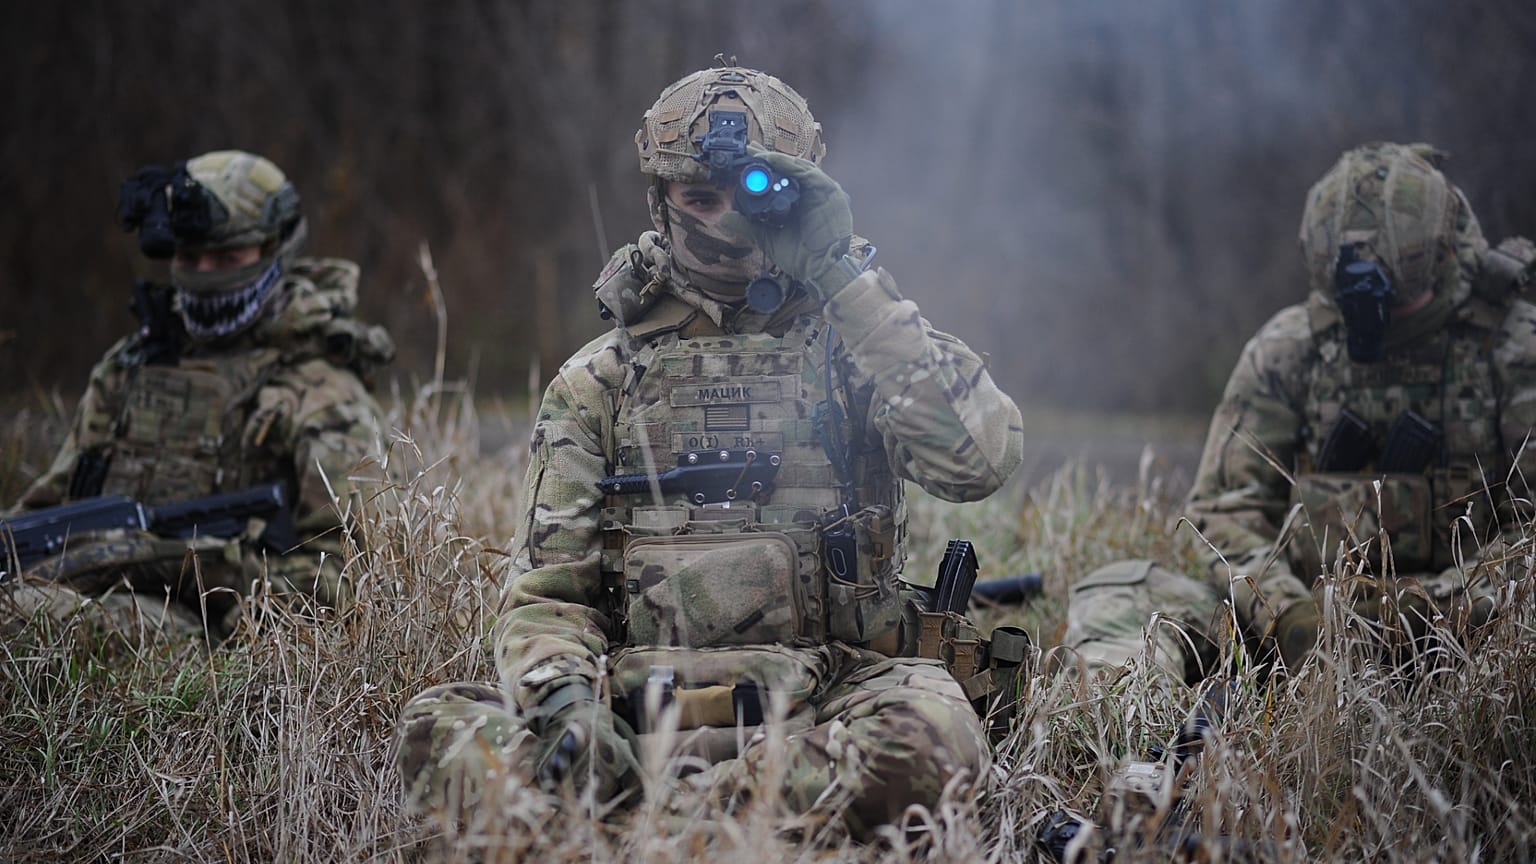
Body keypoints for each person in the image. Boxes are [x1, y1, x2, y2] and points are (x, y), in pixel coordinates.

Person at [396, 65, 1024, 839]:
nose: (728, 223)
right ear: (660, 203)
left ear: (802, 194)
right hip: (635, 706)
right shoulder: (599, 381)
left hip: (829, 696)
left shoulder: (860, 350)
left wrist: (842, 276)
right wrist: (565, 708)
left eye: (756, 197)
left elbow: (978, 458)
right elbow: (549, 597)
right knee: (439, 733)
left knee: (939, 739)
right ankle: (722, 822)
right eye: (701, 198)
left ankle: (651, 829)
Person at [1062, 142, 1536, 684]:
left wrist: (1434, 609)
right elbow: (1224, 515)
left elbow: (1528, 539)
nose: (1366, 304)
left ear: (1440, 254)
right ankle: (1107, 728)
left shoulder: (1514, 350)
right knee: (1125, 591)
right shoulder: (1290, 349)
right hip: (1302, 631)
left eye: (1391, 287)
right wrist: (1285, 611)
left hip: (1474, 637)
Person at [4, 149, 393, 640]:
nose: (206, 274)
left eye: (228, 258)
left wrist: (199, 569)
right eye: (189, 258)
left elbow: (353, 584)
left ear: (276, 250)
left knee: (32, 621)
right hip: (85, 593)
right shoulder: (130, 370)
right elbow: (46, 513)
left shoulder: (321, 393)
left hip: (212, 631)